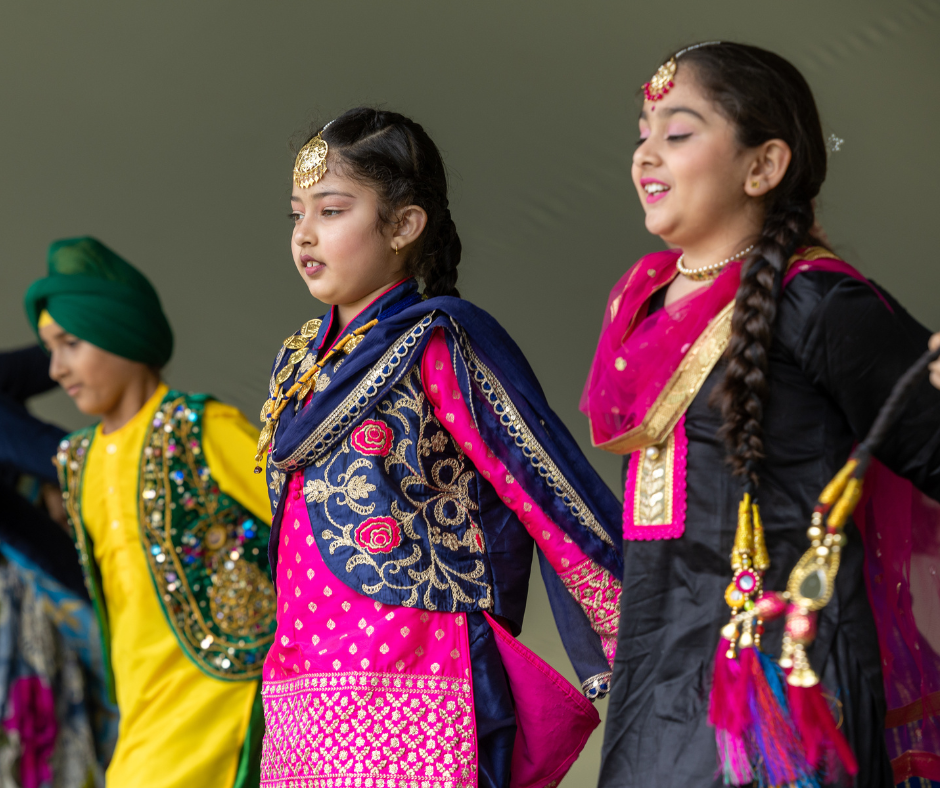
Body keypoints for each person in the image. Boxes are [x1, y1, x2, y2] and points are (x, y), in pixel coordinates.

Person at [581, 42, 940, 787]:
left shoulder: (817, 301)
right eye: (641, 133)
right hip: (656, 690)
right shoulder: (640, 306)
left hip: (786, 690)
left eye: (676, 133)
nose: (646, 154)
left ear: (763, 166)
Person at [257, 107, 623, 788]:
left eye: (331, 211)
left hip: (415, 685)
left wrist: (640, 632)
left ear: (403, 225)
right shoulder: (301, 361)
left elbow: (544, 485)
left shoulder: (437, 342)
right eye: (295, 214)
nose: (305, 234)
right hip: (302, 686)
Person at [24, 237, 276, 788]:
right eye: (49, 348)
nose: (56, 368)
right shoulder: (78, 461)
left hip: (223, 701)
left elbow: (309, 531)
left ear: (120, 334)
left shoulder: (202, 428)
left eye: (69, 343)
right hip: (140, 715)